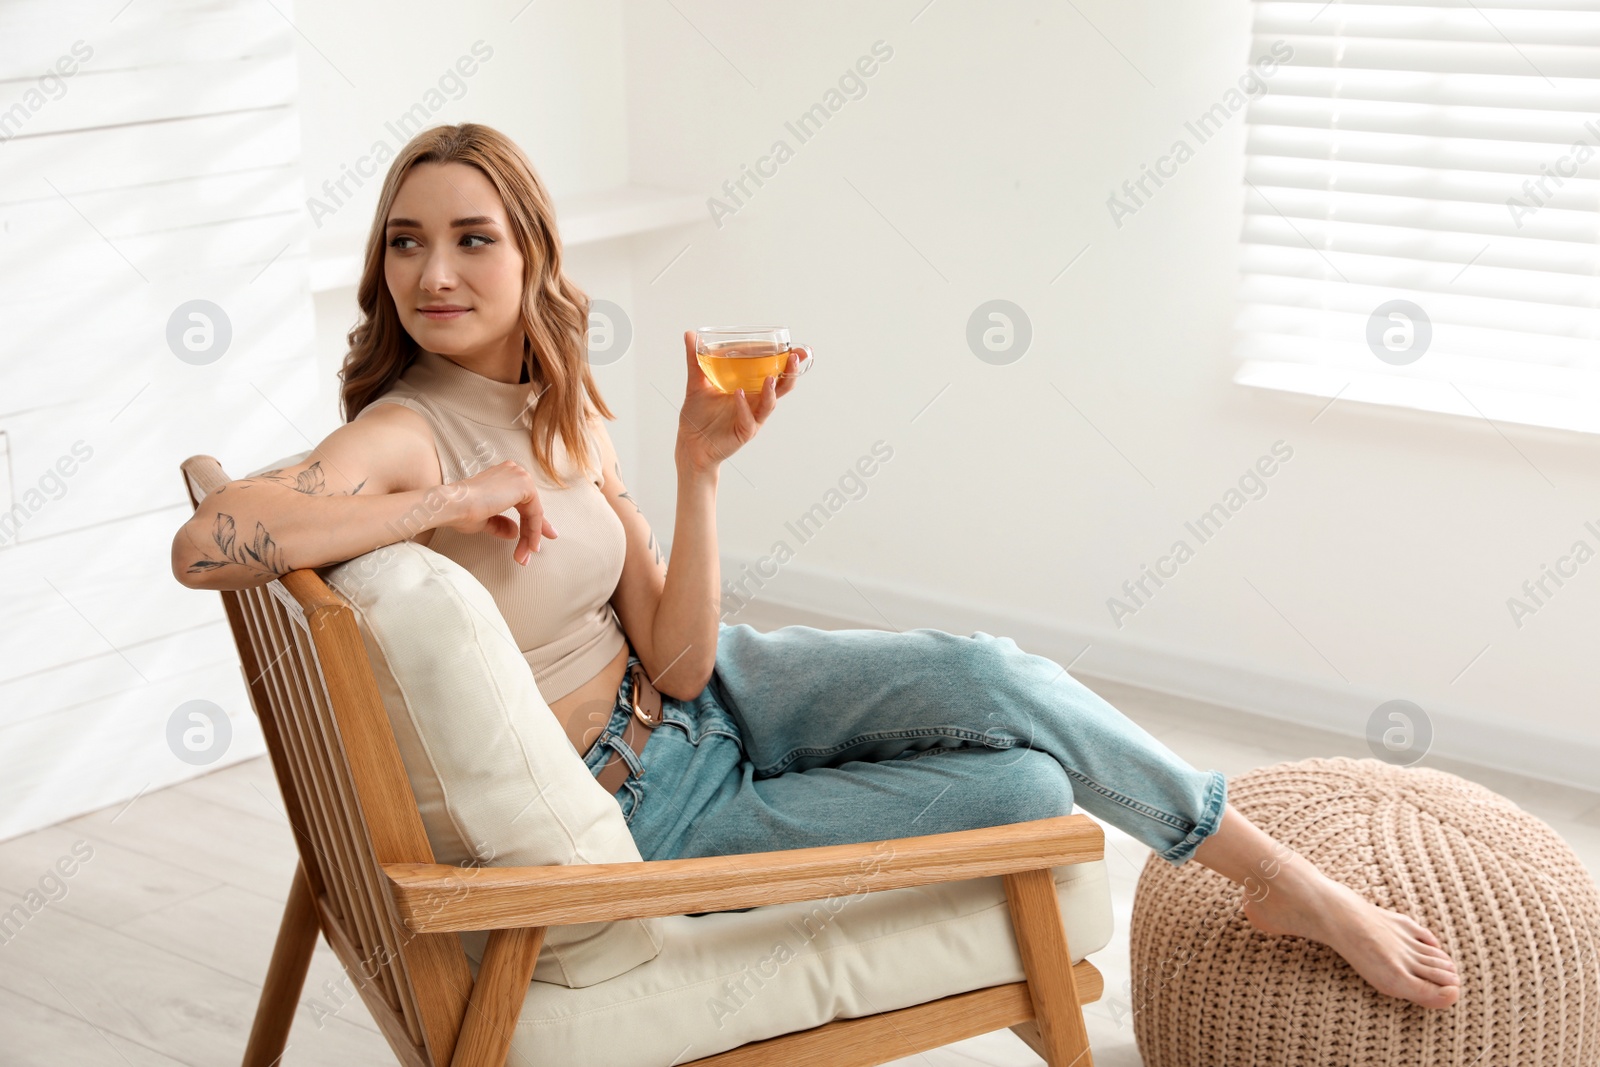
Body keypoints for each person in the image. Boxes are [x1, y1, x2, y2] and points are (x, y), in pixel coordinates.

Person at [171, 123, 1460, 1011]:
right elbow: (207, 539)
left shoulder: (556, 404)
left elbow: (676, 658)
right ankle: (1285, 884)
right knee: (1022, 784)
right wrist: (450, 495)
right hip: (640, 803)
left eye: (470, 239)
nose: (432, 273)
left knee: (992, 672)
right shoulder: (404, 432)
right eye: (404, 241)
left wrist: (697, 465)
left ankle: (1295, 890)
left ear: (534, 259)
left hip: (703, 695)